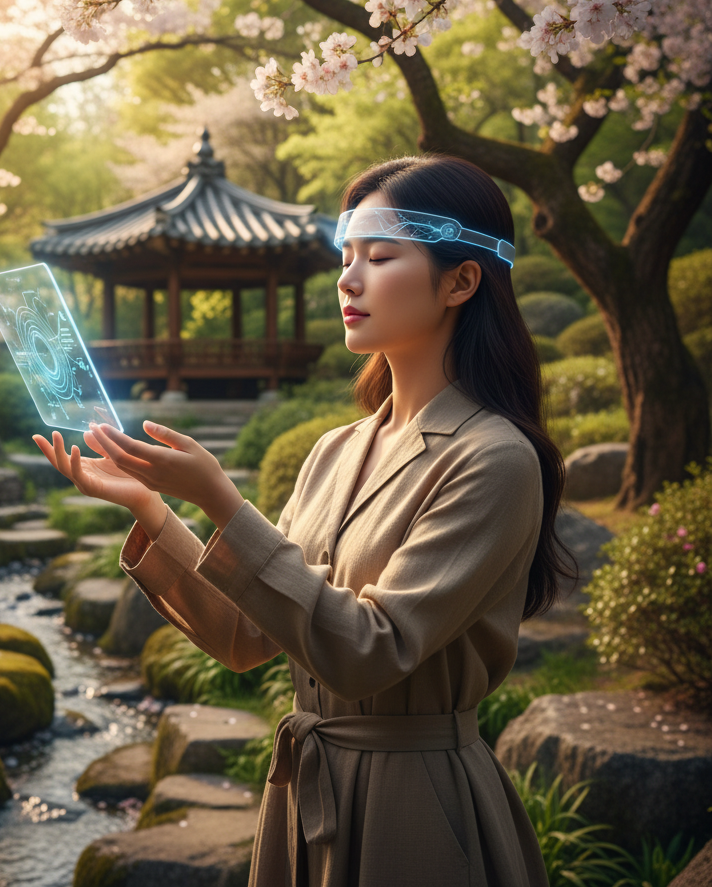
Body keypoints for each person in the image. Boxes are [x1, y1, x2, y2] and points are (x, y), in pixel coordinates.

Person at [34, 154, 579, 887]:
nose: (348, 280)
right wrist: (149, 506)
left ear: (460, 281)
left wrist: (222, 501)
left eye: (379, 257)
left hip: (414, 799)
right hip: (302, 794)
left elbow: (370, 651)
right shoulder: (334, 449)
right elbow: (243, 634)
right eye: (346, 257)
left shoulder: (494, 458)